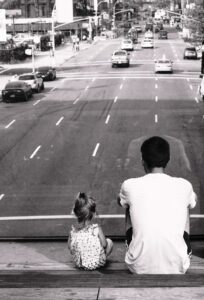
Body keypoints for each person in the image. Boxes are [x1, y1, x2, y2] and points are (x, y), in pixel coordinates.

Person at [118, 136, 197, 274]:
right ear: (168, 160)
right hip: (179, 265)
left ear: (143, 161)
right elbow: (193, 202)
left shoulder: (129, 185)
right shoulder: (185, 185)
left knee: (128, 205)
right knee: (186, 204)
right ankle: (184, 246)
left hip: (137, 266)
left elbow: (120, 201)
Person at [68, 192, 113, 270]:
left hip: (80, 264)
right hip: (97, 263)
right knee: (109, 242)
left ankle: (83, 260)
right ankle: (102, 258)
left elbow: (70, 248)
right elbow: (104, 244)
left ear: (76, 213)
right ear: (93, 214)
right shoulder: (96, 228)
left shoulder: (73, 231)